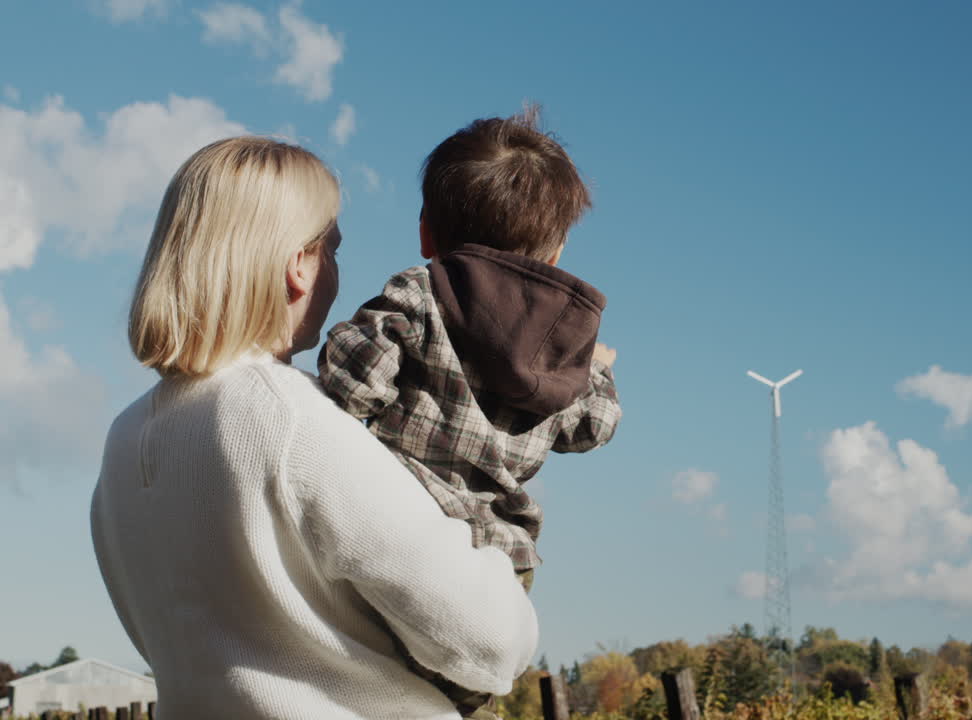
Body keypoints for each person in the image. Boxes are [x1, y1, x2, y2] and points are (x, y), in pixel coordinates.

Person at [90, 136, 537, 720]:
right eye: (333, 249)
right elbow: (490, 643)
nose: (335, 272)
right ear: (297, 266)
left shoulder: (123, 440)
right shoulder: (290, 419)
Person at [317, 107, 621, 715]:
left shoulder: (420, 294)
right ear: (557, 251)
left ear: (427, 231)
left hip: (399, 543)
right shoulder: (566, 343)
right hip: (502, 571)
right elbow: (592, 428)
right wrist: (600, 369)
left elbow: (352, 383)